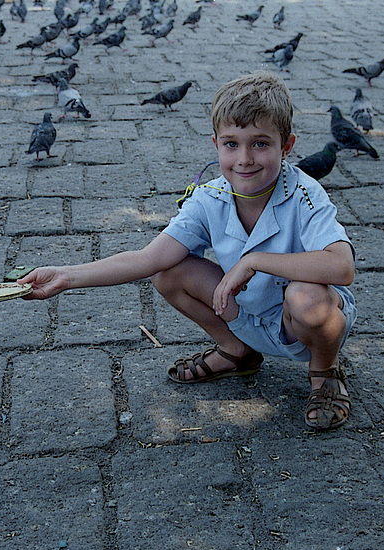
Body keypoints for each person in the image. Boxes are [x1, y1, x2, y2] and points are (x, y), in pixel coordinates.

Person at [18, 71, 357, 431]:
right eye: (231, 144)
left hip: (309, 322)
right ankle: (237, 351)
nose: (244, 158)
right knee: (168, 272)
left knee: (304, 295)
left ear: (286, 146)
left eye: (260, 144)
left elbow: (342, 266)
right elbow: (148, 258)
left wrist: (254, 261)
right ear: (215, 144)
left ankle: (324, 373)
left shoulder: (305, 192)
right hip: (247, 316)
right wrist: (66, 276)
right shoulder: (210, 196)